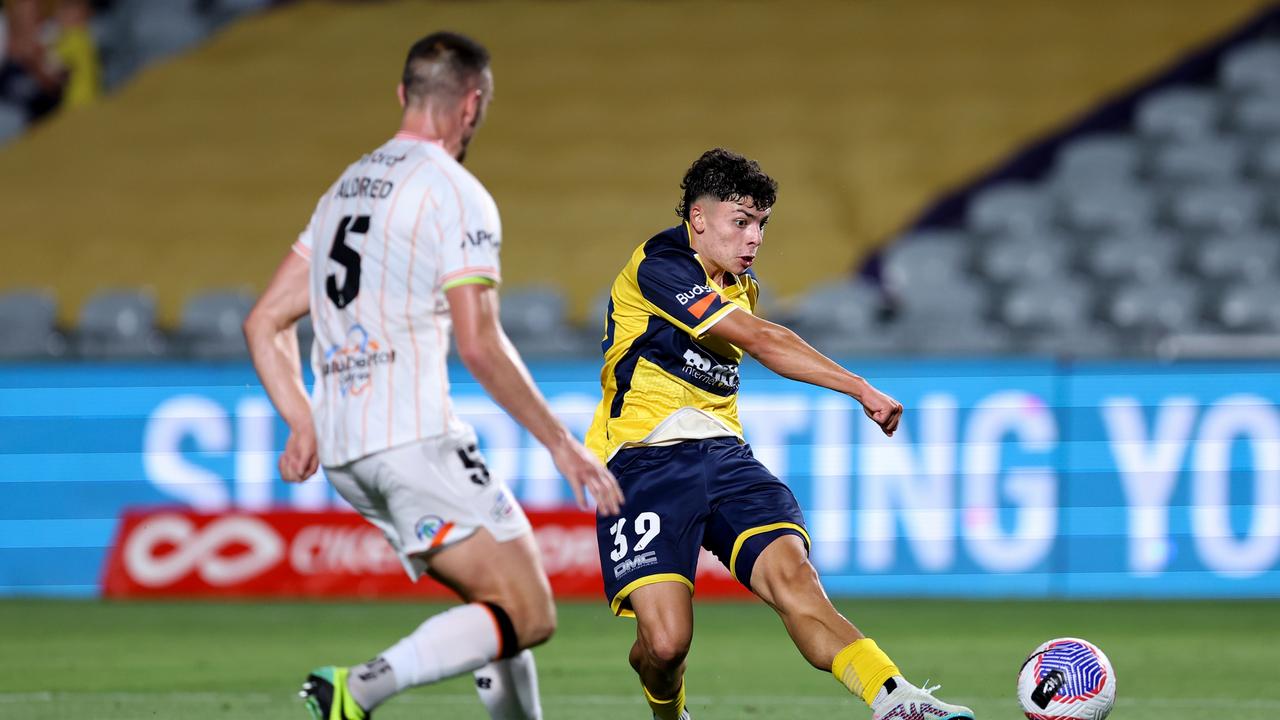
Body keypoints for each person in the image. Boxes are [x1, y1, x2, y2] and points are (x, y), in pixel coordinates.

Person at [243, 31, 623, 720]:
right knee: (530, 611)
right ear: (471, 105)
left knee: (496, 608)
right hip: (413, 437)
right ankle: (355, 689)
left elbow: (263, 321)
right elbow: (477, 344)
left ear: (403, 95)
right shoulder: (455, 193)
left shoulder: (342, 192)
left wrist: (304, 419)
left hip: (346, 451)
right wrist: (561, 444)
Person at [585, 148, 975, 720]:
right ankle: (669, 711)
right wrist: (859, 387)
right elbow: (764, 341)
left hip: (725, 458)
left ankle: (897, 699)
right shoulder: (660, 264)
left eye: (761, 225)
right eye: (740, 222)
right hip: (643, 464)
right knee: (664, 646)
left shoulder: (741, 285)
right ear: (697, 217)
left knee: (797, 581)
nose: (754, 239)